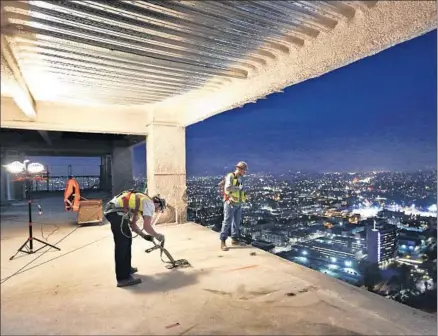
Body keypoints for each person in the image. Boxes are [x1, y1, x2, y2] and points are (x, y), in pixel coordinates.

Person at [103, 190, 166, 287]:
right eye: (159, 209)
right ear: (157, 203)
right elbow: (147, 227)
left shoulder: (142, 204)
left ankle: (126, 268)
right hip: (116, 213)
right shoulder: (149, 204)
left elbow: (133, 225)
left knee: (127, 240)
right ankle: (123, 278)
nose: (156, 211)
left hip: (114, 212)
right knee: (122, 244)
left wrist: (144, 236)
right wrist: (157, 235)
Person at [219, 161, 248, 251]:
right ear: (239, 169)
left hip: (238, 203)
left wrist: (243, 199)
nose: (245, 172)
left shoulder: (241, 178)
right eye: (244, 170)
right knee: (227, 222)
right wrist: (237, 187)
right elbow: (227, 188)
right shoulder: (231, 176)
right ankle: (223, 241)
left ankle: (235, 239)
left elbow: (241, 190)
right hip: (230, 203)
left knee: (236, 222)